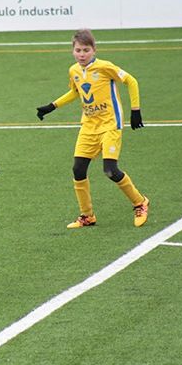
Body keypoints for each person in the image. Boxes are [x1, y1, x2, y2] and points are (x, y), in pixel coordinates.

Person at [35, 28, 149, 229]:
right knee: (78, 170)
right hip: (88, 126)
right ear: (73, 51)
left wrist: (136, 109)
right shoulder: (74, 71)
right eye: (78, 50)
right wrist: (52, 106)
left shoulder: (105, 67)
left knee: (110, 170)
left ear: (94, 50)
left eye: (86, 50)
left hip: (110, 125)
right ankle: (87, 216)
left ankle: (140, 202)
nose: (81, 54)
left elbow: (131, 81)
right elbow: (75, 92)